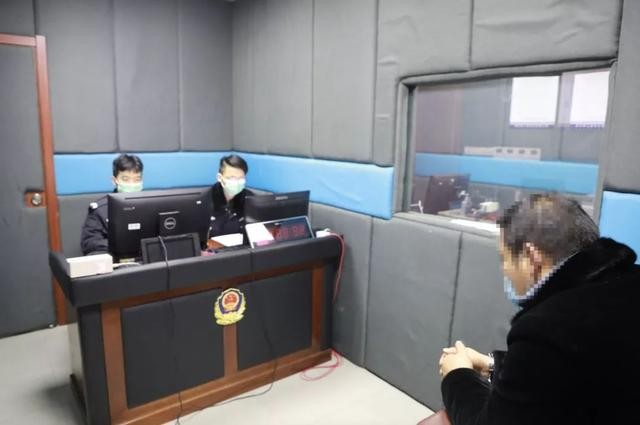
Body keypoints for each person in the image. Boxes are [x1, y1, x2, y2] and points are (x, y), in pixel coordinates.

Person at [438, 194, 640, 425]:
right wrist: (494, 365)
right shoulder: (624, 286)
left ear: (531, 258)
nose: (505, 270)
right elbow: (567, 374)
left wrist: (457, 374)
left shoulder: (547, 328)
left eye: (505, 259)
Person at [80, 154, 144, 255]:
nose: (132, 184)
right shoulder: (100, 209)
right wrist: (120, 245)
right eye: (126, 179)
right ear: (115, 181)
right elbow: (89, 243)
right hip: (115, 259)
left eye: (137, 179)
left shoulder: (150, 206)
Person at [210, 154, 253, 237]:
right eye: (232, 178)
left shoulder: (250, 198)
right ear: (219, 178)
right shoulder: (206, 200)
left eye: (241, 178)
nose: (237, 182)